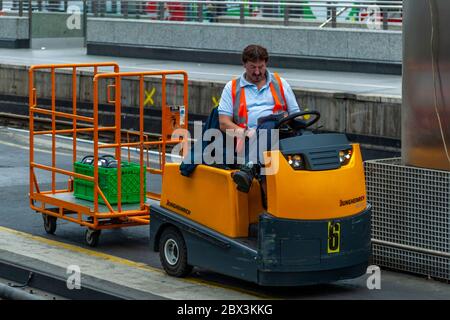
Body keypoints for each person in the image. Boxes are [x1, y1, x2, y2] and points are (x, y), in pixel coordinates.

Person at [218, 44, 301, 193]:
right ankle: (268, 200)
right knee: (266, 132)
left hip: (280, 133)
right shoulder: (232, 87)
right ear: (244, 65)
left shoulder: (280, 83)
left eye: (261, 67)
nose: (257, 72)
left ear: (266, 63)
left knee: (268, 123)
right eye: (252, 67)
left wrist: (282, 119)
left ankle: (249, 169)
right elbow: (224, 123)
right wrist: (245, 133)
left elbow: (295, 113)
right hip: (249, 138)